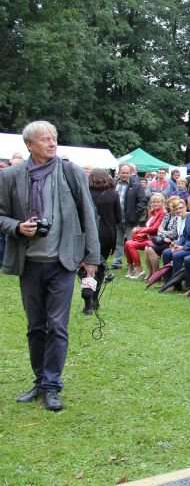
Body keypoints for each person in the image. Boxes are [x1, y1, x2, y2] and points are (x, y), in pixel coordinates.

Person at [0, 121, 100, 411]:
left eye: (54, 138)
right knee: (35, 326)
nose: (52, 143)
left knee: (57, 325)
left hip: (62, 262)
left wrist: (92, 257)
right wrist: (18, 227)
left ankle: (52, 385)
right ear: (29, 145)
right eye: (45, 139)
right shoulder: (11, 176)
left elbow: (87, 213)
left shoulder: (70, 171)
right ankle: (40, 380)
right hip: (30, 264)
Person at [85, 169, 121, 314]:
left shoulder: (86, 193)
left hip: (88, 234)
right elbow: (118, 218)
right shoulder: (113, 194)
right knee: (100, 266)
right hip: (107, 234)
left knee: (87, 268)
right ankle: (95, 297)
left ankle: (87, 302)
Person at [111, 163, 148, 269]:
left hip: (131, 220)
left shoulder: (136, 185)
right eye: (123, 172)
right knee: (118, 242)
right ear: (119, 173)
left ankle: (131, 264)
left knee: (131, 243)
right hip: (117, 219)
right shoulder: (113, 184)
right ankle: (117, 263)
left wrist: (135, 215)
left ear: (131, 173)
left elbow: (142, 201)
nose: (125, 175)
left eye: (127, 173)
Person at [123, 193, 166, 279]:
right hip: (147, 238)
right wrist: (142, 233)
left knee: (130, 244)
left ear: (162, 203)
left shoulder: (163, 213)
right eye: (153, 202)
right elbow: (147, 227)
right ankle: (131, 268)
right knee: (127, 243)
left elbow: (155, 229)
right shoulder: (152, 212)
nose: (155, 204)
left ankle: (139, 269)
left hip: (155, 239)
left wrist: (139, 230)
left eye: (158, 202)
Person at [143, 196, 184, 279]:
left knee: (151, 249)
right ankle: (150, 272)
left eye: (174, 203)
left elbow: (174, 233)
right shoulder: (167, 215)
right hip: (164, 240)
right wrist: (164, 236)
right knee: (147, 247)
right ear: (168, 205)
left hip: (172, 241)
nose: (172, 205)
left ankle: (156, 274)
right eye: (171, 203)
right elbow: (159, 230)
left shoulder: (178, 216)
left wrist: (164, 234)